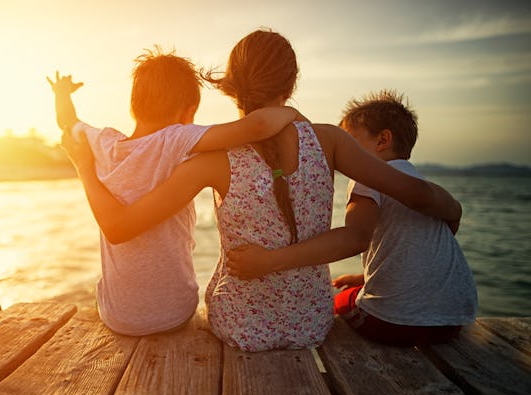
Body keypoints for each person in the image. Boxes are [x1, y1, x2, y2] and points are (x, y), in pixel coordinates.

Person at [60, 29, 462, 352]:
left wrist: (85, 162)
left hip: (238, 326)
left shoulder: (213, 159)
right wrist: (451, 207)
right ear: (291, 83)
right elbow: (387, 217)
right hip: (312, 324)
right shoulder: (330, 141)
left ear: (232, 87)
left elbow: (124, 225)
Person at [47, 48, 302, 336]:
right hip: (174, 314)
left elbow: (66, 122)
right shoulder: (176, 138)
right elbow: (258, 126)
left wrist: (61, 94)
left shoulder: (104, 142)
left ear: (133, 107)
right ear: (188, 112)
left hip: (117, 317)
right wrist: (291, 110)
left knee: (101, 292)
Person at [229, 90, 477, 347]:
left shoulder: (369, 179)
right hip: (452, 321)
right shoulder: (418, 181)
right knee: (356, 291)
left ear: (382, 140)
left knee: (333, 306)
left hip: (393, 323)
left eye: (350, 143)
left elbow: (357, 238)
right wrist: (369, 276)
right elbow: (440, 235)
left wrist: (269, 261)